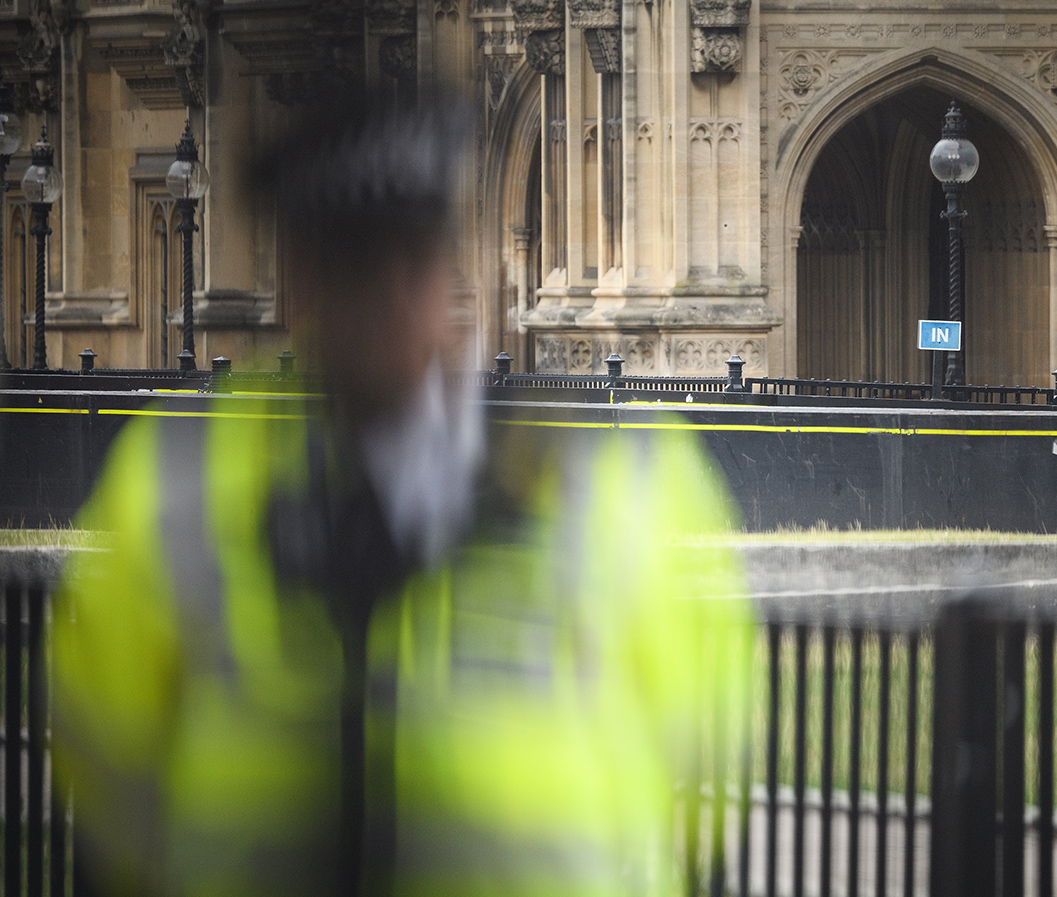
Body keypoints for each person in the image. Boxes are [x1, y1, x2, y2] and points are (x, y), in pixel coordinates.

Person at [50, 90, 747, 897]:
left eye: (408, 262)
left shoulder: (616, 482)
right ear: (302, 291)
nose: (385, 302)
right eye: (353, 269)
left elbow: (702, 775)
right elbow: (106, 781)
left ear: (451, 274)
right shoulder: (178, 482)